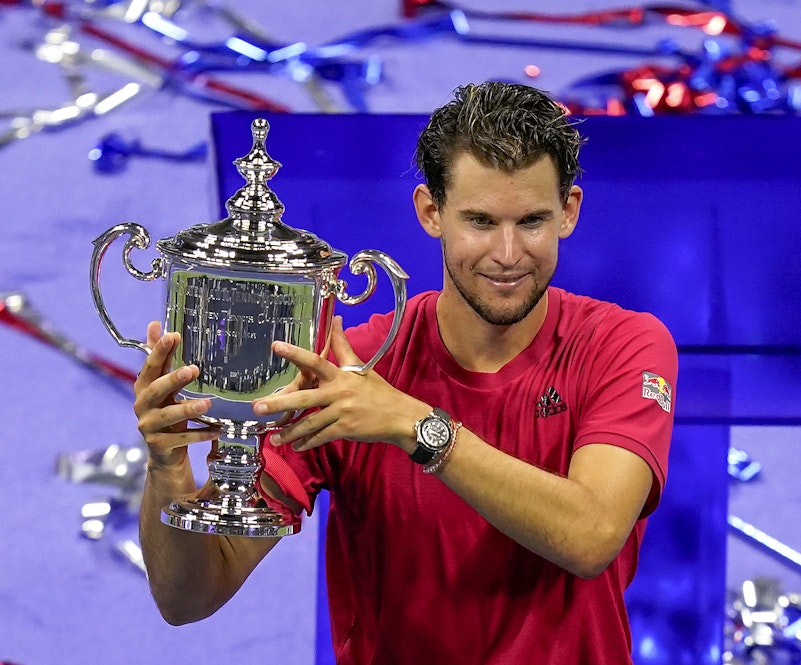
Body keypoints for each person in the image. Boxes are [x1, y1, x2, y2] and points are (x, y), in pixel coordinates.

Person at [133, 81, 678, 664]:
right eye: (480, 221)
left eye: (532, 221)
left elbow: (591, 536)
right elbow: (188, 598)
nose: (508, 253)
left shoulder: (626, 346)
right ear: (430, 212)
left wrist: (415, 427)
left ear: (568, 212)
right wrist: (167, 468)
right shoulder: (351, 371)